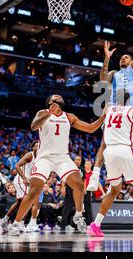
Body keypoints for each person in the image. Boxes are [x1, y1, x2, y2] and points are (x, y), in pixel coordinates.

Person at [9, 94, 106, 236]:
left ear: (62, 102)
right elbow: (33, 126)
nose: (57, 98)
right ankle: (16, 224)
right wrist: (48, 114)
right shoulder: (43, 113)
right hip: (44, 158)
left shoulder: (69, 117)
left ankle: (78, 216)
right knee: (34, 191)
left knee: (79, 184)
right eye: (54, 98)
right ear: (49, 102)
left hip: (62, 158)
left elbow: (91, 128)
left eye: (59, 97)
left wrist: (103, 116)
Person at [87, 6, 133, 192]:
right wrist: (106, 58)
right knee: (105, 142)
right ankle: (95, 174)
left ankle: (125, 179)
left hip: (128, 111)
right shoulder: (114, 73)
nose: (123, 59)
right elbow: (102, 78)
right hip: (112, 109)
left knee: (128, 146)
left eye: (126, 57)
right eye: (122, 58)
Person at [87, 103, 133, 237]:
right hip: (126, 150)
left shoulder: (108, 113)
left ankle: (95, 225)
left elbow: (102, 145)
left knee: (113, 191)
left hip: (109, 153)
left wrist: (96, 171)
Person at [0, 141, 41, 232]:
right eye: (36, 146)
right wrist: (24, 178)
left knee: (20, 202)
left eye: (39, 146)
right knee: (27, 201)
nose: (38, 147)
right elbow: (17, 166)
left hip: (28, 181)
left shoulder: (40, 158)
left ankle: (4, 220)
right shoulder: (30, 155)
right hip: (21, 180)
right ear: (33, 148)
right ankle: (19, 223)